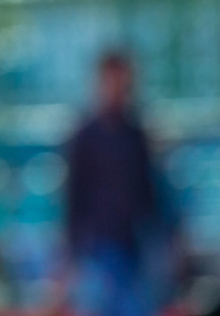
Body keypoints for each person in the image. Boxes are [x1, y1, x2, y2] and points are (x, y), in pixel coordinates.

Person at [63, 50, 173, 316]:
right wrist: (71, 253)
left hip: (136, 243)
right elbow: (74, 196)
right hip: (99, 245)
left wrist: (166, 241)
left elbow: (151, 193)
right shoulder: (86, 136)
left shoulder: (137, 134)